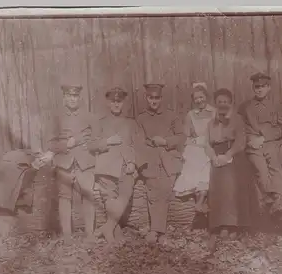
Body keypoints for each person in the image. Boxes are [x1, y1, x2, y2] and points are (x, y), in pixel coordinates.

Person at [38, 81, 98, 242]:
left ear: (79, 98)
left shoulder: (89, 117)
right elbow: (49, 144)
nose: (73, 99)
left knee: (88, 195)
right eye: (69, 96)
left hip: (85, 162)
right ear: (64, 97)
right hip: (64, 163)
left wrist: (88, 146)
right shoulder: (56, 118)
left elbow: (97, 140)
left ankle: (90, 234)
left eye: (75, 96)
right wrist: (67, 144)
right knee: (64, 197)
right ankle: (67, 235)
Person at [239, 72, 282, 214]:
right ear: (253, 88)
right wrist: (250, 140)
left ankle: (278, 199)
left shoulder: (277, 105)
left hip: (269, 142)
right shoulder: (246, 107)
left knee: (275, 164)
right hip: (253, 145)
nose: (260, 89)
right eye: (257, 87)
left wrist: (264, 138)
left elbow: (280, 128)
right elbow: (241, 128)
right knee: (261, 169)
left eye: (263, 86)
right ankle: (271, 198)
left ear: (269, 88)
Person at [136, 83, 187, 245]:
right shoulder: (141, 118)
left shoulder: (172, 116)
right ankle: (159, 231)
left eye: (157, 98)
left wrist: (165, 141)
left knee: (164, 189)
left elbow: (181, 137)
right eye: (151, 98)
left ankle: (156, 230)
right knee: (152, 191)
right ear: (147, 98)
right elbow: (138, 141)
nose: (154, 101)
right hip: (150, 159)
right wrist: (149, 147)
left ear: (161, 98)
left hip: (169, 159)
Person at [88, 87, 138, 244]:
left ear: (123, 103)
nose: (116, 104)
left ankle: (108, 228)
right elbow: (91, 145)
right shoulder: (100, 122)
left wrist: (132, 162)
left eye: (119, 101)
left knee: (125, 193)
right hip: (107, 167)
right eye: (113, 101)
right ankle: (114, 232)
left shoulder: (130, 123)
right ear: (108, 103)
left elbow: (136, 145)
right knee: (110, 197)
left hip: (125, 167)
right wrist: (107, 141)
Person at [206, 88, 246, 242]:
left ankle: (234, 225)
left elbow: (240, 141)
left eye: (225, 102)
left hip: (234, 154)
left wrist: (228, 155)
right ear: (215, 104)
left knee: (230, 182)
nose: (222, 105)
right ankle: (221, 224)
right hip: (217, 154)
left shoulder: (237, 119)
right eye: (219, 102)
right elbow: (207, 144)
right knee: (216, 183)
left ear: (230, 103)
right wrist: (213, 157)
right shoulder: (211, 123)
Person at [173, 82, 216, 213]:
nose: (199, 100)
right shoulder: (191, 114)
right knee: (193, 159)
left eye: (201, 97)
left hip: (210, 143)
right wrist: (192, 141)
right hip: (197, 144)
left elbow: (217, 131)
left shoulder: (214, 112)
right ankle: (198, 199)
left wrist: (208, 141)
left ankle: (201, 200)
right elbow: (186, 134)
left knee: (206, 162)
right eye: (196, 98)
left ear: (206, 97)